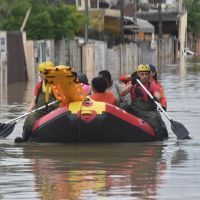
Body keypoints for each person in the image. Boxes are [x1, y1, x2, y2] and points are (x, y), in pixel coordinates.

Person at [120, 64, 168, 140]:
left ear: (149, 75)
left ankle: (158, 137)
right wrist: (132, 82)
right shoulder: (132, 83)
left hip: (147, 111)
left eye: (146, 74)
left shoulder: (153, 86)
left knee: (155, 119)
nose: (144, 76)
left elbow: (158, 94)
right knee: (123, 106)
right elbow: (122, 93)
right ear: (138, 74)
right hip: (135, 108)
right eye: (142, 74)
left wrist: (156, 98)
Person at [14, 61, 58, 143]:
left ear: (47, 73)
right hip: (42, 110)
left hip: (54, 110)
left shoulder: (57, 85)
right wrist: (29, 110)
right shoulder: (39, 85)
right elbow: (34, 101)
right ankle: (24, 139)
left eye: (41, 72)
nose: (39, 74)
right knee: (29, 119)